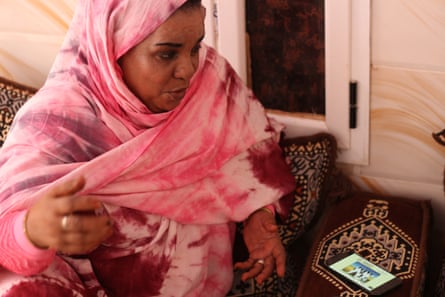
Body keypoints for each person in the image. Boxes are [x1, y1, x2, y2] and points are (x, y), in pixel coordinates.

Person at [0, 0, 295, 296]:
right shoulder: (55, 124)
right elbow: (5, 235)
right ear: (112, 49)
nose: (188, 69)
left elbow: (250, 151)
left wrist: (260, 214)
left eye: (195, 47)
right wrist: (33, 232)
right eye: (166, 54)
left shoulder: (209, 80)